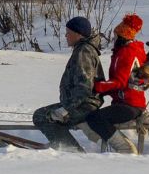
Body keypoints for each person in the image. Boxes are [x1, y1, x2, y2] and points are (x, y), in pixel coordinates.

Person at [32, 16, 104, 151]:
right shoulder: (82, 49)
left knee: (41, 116)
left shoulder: (84, 51)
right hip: (81, 103)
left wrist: (66, 109)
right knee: (49, 115)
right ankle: (64, 144)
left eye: (68, 33)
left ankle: (69, 150)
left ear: (78, 34)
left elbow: (84, 87)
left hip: (84, 105)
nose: (66, 36)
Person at [82, 14, 148, 153]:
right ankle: (120, 143)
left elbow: (120, 82)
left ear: (122, 35)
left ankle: (124, 147)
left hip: (129, 105)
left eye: (116, 35)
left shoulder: (127, 52)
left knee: (94, 118)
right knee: (98, 118)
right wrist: (102, 89)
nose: (114, 38)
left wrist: (97, 87)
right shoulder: (132, 50)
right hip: (131, 103)